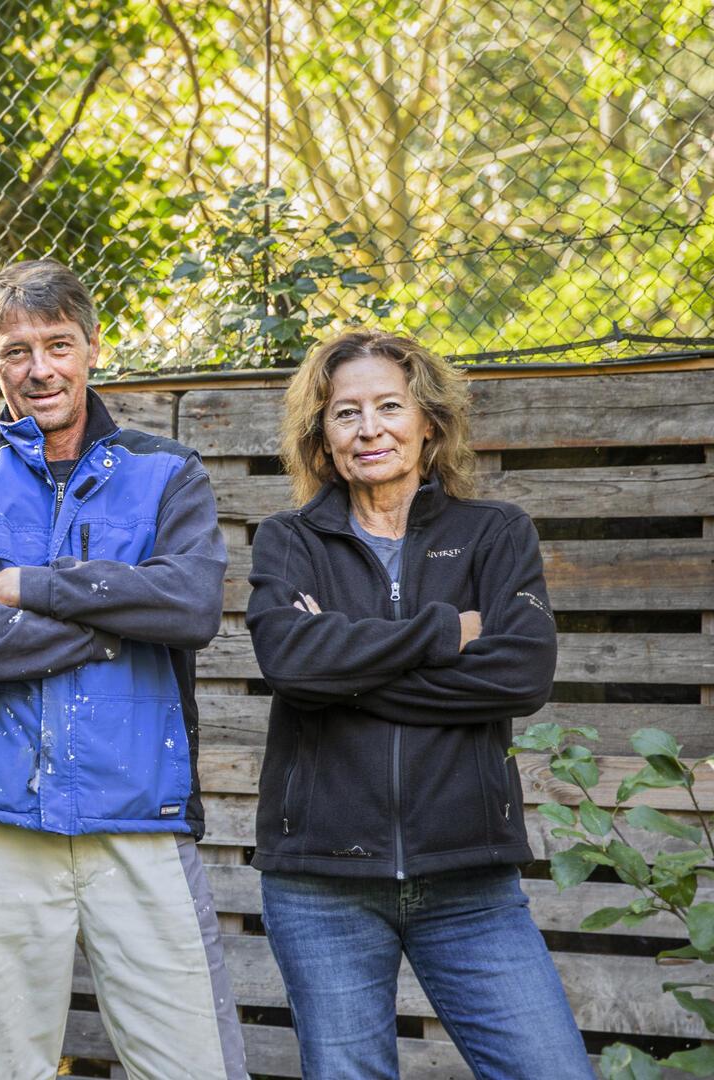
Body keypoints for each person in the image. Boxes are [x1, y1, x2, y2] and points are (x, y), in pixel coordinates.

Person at [0, 259, 244, 1080]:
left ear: (94, 347)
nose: (41, 369)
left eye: (59, 344)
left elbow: (192, 608)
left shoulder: (169, 472)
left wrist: (32, 588)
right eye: (16, 350)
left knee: (194, 1064)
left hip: (140, 813)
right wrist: (118, 626)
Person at [246, 329, 589, 1078]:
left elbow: (522, 674)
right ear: (321, 435)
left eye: (389, 406)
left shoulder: (494, 533)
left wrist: (347, 673)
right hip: (321, 887)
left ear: (429, 422)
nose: (369, 429)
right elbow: (292, 665)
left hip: (470, 883)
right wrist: (444, 631)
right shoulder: (289, 541)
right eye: (345, 413)